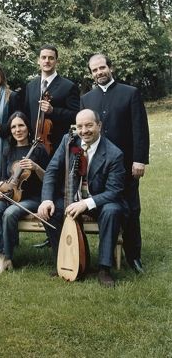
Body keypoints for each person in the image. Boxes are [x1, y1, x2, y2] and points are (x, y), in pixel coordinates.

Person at [38, 109, 126, 287]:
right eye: (80, 126)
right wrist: (46, 199)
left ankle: (104, 269)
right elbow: (52, 171)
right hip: (72, 196)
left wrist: (85, 204)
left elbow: (114, 191)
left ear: (99, 126)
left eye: (89, 125)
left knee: (112, 211)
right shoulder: (69, 141)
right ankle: (63, 259)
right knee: (51, 211)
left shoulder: (114, 154)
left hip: (100, 201)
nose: (84, 130)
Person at [80, 53, 149, 274]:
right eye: (94, 70)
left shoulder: (130, 93)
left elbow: (140, 129)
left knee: (132, 209)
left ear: (110, 67)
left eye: (102, 68)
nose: (99, 72)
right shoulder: (87, 99)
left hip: (127, 164)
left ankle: (133, 255)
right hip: (97, 166)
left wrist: (139, 160)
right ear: (91, 74)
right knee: (107, 205)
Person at [0, 111, 49, 275]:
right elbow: (5, 178)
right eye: (13, 127)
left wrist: (36, 167)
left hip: (33, 197)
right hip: (11, 194)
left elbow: (49, 177)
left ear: (28, 127)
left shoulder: (39, 150)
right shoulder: (8, 150)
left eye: (21, 125)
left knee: (9, 213)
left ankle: (7, 257)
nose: (17, 130)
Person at [21, 45, 79, 157]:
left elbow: (76, 115)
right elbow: (26, 115)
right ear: (38, 61)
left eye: (51, 58)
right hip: (34, 146)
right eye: (43, 57)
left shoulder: (68, 86)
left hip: (58, 147)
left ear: (57, 61)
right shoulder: (30, 86)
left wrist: (54, 111)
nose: (47, 61)